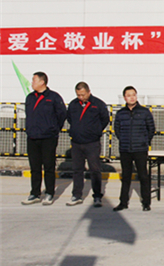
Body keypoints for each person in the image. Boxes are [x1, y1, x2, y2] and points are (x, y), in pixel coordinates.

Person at [21, 72, 67, 206]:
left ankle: (49, 193)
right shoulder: (30, 97)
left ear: (42, 82)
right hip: (32, 137)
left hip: (48, 138)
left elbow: (62, 114)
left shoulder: (53, 97)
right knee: (35, 167)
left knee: (49, 166)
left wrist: (53, 129)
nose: (32, 83)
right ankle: (35, 193)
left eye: (34, 80)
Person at [66, 82, 110, 207]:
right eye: (78, 95)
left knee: (95, 170)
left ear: (89, 92)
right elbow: (69, 119)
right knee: (77, 170)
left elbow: (105, 119)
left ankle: (97, 195)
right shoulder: (73, 104)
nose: (81, 97)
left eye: (83, 95)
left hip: (92, 143)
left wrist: (95, 131)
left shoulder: (98, 104)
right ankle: (76, 195)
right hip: (76, 142)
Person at [113, 86, 155, 212]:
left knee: (143, 176)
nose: (132, 97)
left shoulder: (144, 112)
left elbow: (151, 129)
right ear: (124, 98)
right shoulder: (121, 113)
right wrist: (123, 140)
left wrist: (144, 141)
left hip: (140, 149)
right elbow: (117, 129)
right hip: (125, 149)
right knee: (126, 177)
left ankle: (146, 202)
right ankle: (123, 202)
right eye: (128, 95)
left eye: (133, 95)